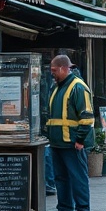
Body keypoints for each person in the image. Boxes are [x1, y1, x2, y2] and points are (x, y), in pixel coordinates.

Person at [44, 54, 94, 211]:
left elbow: (87, 117)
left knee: (77, 178)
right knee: (61, 179)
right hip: (59, 142)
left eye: (55, 70)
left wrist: (80, 139)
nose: (52, 74)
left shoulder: (78, 87)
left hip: (72, 143)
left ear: (65, 69)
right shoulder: (57, 87)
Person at [39, 65, 57, 195]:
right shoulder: (53, 85)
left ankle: (49, 183)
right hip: (48, 125)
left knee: (47, 152)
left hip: (49, 126)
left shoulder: (51, 85)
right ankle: (50, 183)